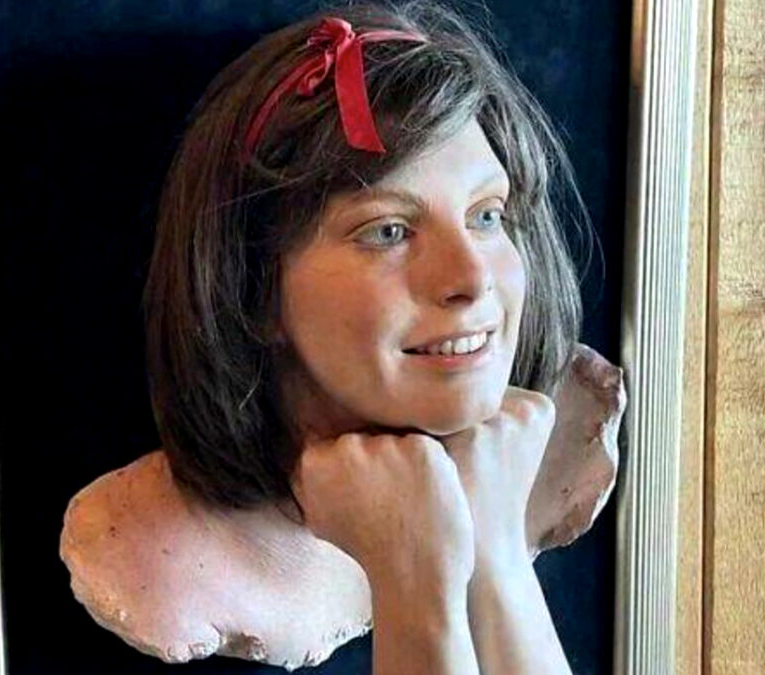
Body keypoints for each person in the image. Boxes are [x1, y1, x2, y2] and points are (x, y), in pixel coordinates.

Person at [141, 1, 591, 672]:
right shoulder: (154, 561)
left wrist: (496, 554)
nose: (471, 278)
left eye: (486, 216)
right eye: (388, 231)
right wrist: (415, 583)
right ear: (254, 287)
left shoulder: (544, 446)